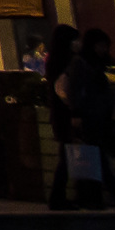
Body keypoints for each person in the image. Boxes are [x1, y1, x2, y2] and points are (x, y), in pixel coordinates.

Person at [61, 28, 115, 209]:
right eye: (99, 45)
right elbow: (73, 89)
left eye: (105, 46)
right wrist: (76, 114)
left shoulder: (107, 63)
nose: (102, 49)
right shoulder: (80, 63)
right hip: (90, 117)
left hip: (106, 118)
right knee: (100, 159)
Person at [42, 22, 79, 208]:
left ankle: (59, 196)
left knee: (66, 155)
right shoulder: (66, 61)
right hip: (66, 114)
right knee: (66, 156)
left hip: (59, 114)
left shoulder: (54, 60)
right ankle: (58, 196)